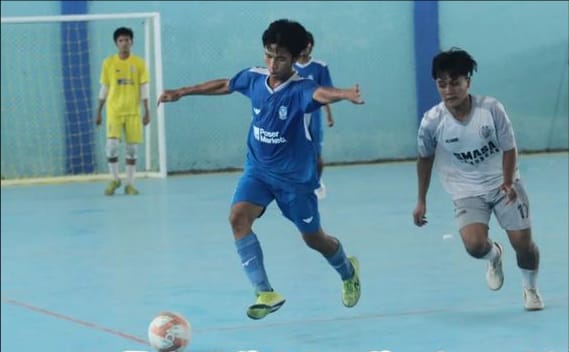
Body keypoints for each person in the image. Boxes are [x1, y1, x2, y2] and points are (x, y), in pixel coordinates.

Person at [158, 19, 363, 320]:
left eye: (280, 57)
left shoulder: (301, 88)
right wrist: (183, 91)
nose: (272, 63)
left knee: (314, 239)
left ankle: (347, 271)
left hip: (295, 180)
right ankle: (265, 292)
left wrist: (344, 94)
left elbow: (320, 94)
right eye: (269, 54)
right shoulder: (254, 78)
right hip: (258, 171)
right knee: (237, 218)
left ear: (295, 58)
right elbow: (225, 84)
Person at [412, 48, 544, 311]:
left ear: (467, 82)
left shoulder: (491, 110)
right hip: (466, 190)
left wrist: (508, 182)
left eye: (455, 82)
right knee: (473, 246)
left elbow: (509, 148)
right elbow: (424, 158)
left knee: (523, 245)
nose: (449, 90)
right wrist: (421, 200)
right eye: (442, 84)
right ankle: (494, 255)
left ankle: (530, 288)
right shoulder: (431, 122)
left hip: (503, 183)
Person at [96, 27, 150, 196]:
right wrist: (98, 111)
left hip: (133, 112)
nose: (124, 43)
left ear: (131, 42)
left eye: (127, 40)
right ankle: (114, 179)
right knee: (111, 146)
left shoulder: (139, 63)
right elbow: (104, 88)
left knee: (132, 149)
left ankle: (130, 184)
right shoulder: (108, 63)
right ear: (116, 43)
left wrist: (147, 110)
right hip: (114, 111)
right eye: (121, 40)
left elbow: (144, 88)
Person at [294, 31, 335, 199]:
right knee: (294, 153)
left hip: (313, 117)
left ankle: (317, 182)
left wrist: (329, 114)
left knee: (316, 155)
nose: (306, 48)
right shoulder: (289, 66)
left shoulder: (320, 67)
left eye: (309, 45)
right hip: (294, 117)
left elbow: (326, 92)